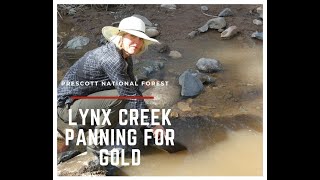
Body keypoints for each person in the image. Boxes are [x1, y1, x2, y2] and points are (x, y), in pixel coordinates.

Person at [57, 16, 165, 156]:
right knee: (121, 97)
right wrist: (154, 124)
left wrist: (148, 124)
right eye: (132, 36)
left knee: (126, 96)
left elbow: (133, 89)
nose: (137, 43)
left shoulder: (123, 55)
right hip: (66, 107)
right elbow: (129, 95)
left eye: (140, 39)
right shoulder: (112, 59)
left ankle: (90, 126)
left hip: (83, 99)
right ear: (120, 36)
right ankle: (94, 145)